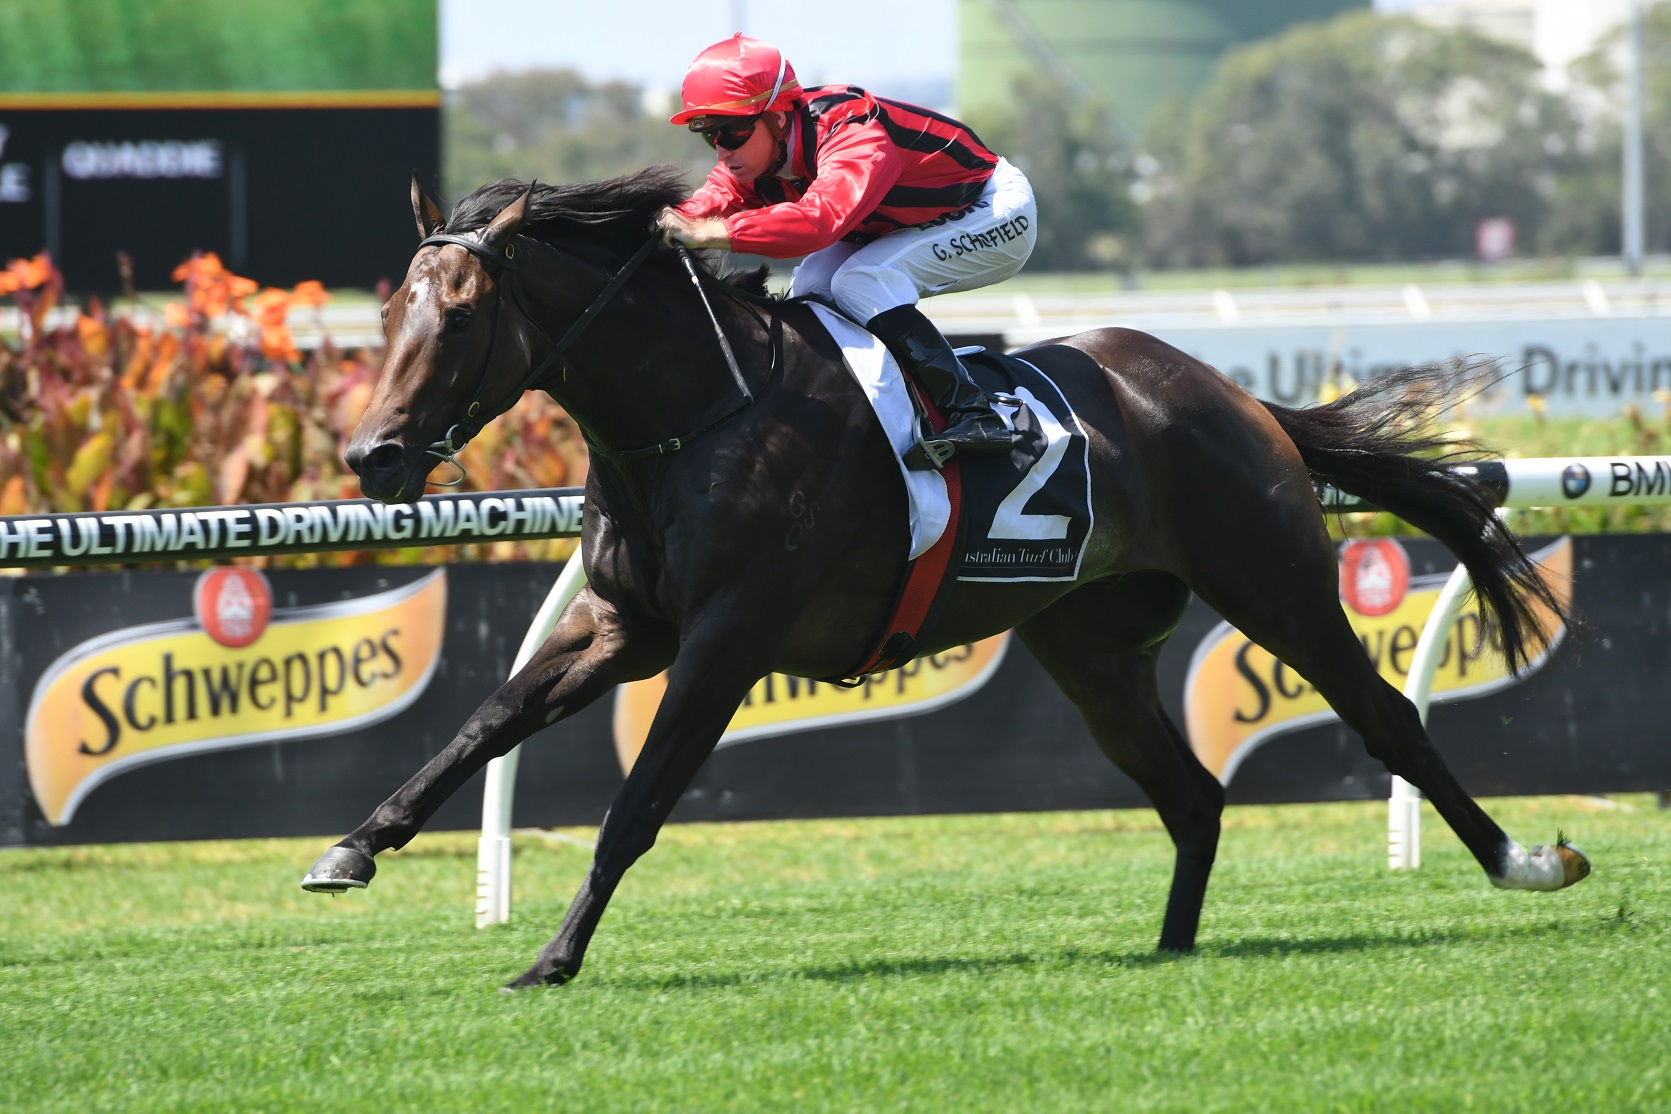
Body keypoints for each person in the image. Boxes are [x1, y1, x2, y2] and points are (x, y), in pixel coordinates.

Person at [657, 33, 1038, 468]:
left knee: (862, 282)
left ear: (778, 116)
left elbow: (819, 222)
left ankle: (974, 414)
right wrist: (663, 221)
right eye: (710, 136)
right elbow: (710, 201)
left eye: (732, 131)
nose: (723, 150)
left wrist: (712, 232)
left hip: (991, 209)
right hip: (899, 223)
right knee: (811, 289)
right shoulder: (756, 155)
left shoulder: (853, 130)